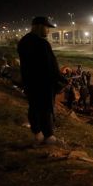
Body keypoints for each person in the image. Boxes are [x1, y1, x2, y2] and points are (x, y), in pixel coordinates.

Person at [17, 16, 67, 144]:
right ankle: (49, 137)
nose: (48, 31)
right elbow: (51, 66)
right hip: (44, 83)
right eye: (47, 27)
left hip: (29, 82)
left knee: (33, 107)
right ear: (39, 26)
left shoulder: (23, 41)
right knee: (46, 109)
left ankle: (37, 134)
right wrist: (62, 79)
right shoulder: (42, 43)